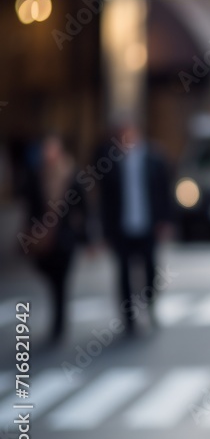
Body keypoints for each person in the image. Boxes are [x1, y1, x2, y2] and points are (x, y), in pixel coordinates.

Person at [96, 121, 173, 335]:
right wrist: (104, 231)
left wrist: (166, 220)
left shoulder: (154, 158)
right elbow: (105, 200)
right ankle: (128, 318)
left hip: (148, 224)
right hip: (121, 227)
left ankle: (150, 306)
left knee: (149, 269)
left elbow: (164, 190)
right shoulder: (111, 162)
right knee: (123, 273)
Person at [24, 135, 89, 345]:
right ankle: (58, 319)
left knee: (62, 280)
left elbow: (83, 207)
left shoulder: (71, 173)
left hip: (65, 235)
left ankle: (59, 323)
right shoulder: (36, 175)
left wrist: (86, 236)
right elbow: (30, 206)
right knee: (49, 276)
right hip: (43, 236)